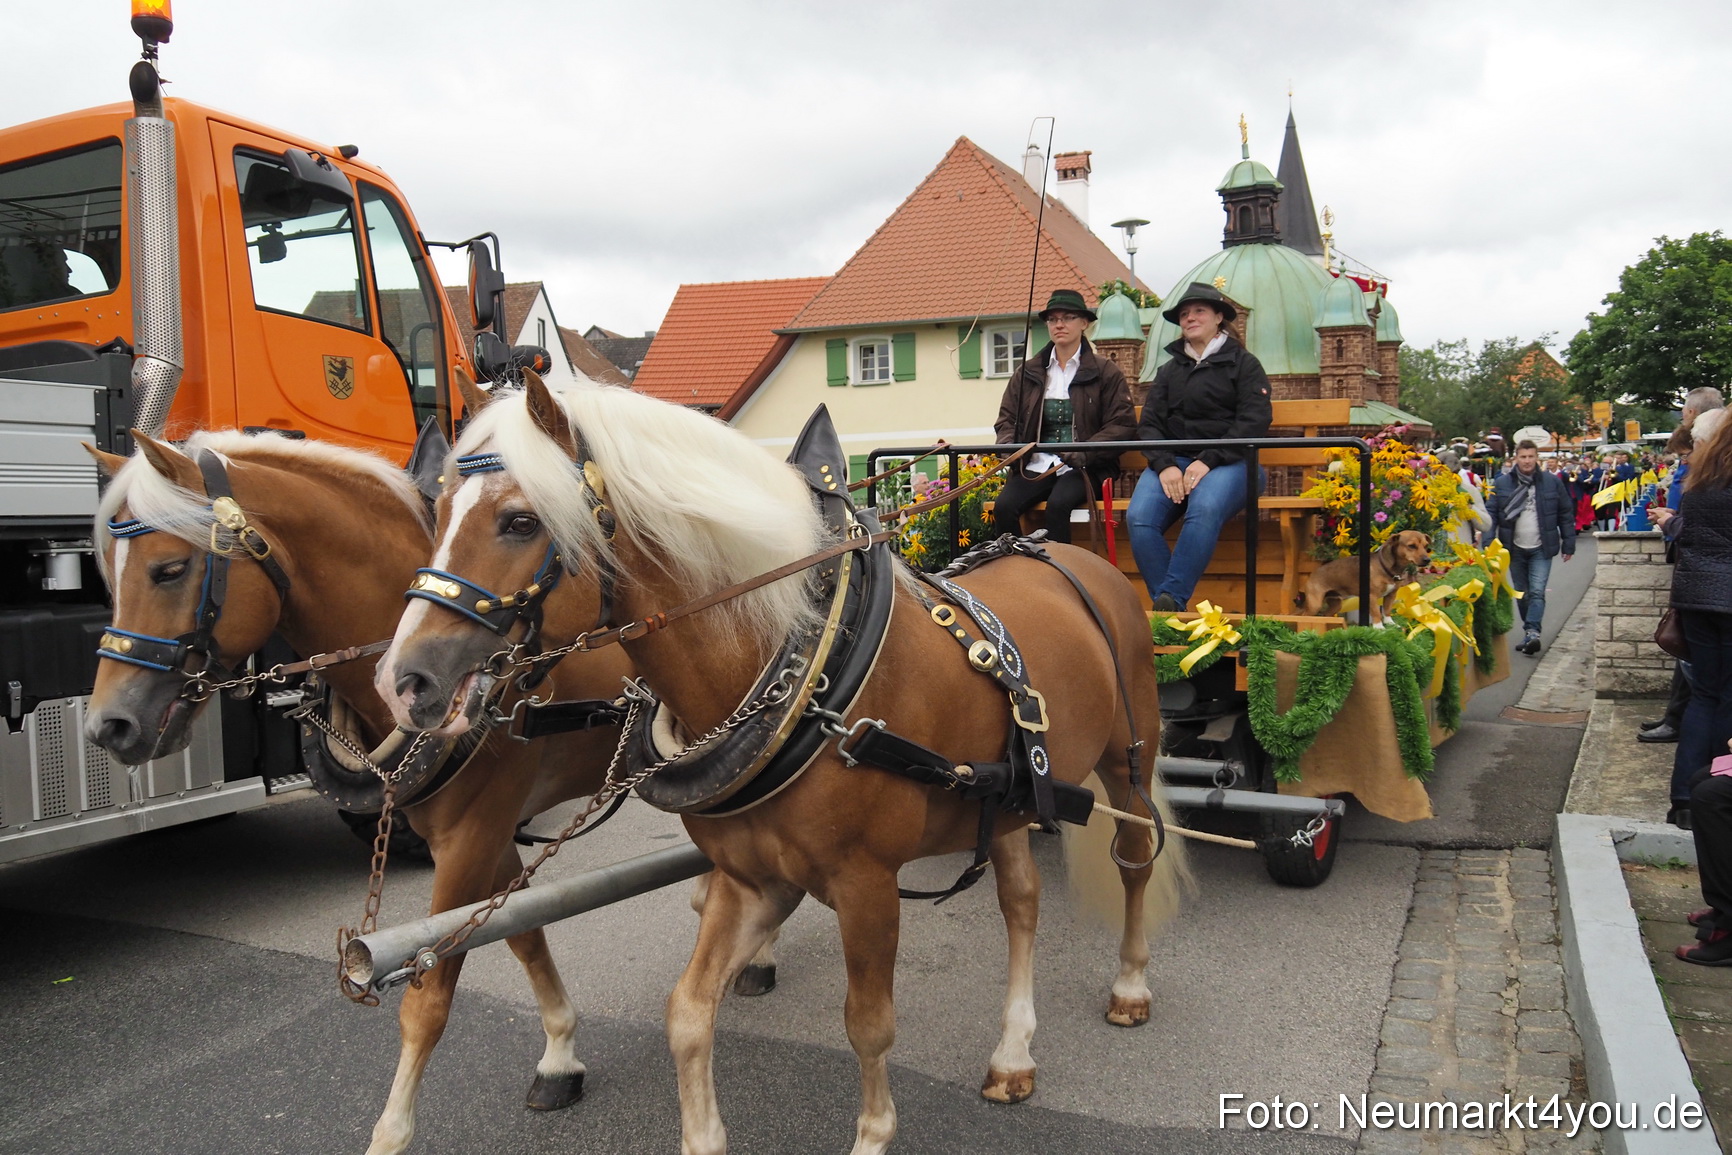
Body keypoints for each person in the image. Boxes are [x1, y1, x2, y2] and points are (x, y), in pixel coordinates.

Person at [1126, 282, 1272, 613]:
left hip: (1232, 463)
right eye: (1184, 314)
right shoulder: (1169, 370)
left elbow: (1254, 420)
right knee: (1139, 517)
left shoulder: (1244, 364)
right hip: (1175, 462)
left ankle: (1170, 602)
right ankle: (1170, 608)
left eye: (1199, 311)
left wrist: (1208, 460)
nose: (1190, 318)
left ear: (1219, 317)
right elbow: (1149, 424)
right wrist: (1164, 464)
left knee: (1204, 508)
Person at [992, 289, 1134, 544]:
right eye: (1053, 319)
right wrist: (1010, 448)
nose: (1059, 324)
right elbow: (1007, 420)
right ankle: (1018, 564)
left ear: (1084, 323)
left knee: (1058, 505)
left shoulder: (1106, 372)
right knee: (1003, 507)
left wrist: (1085, 452)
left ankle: (1060, 568)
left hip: (1087, 467)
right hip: (1035, 465)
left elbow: (1121, 425)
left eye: (1068, 317)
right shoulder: (1028, 372)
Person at [1661, 406, 1732, 829]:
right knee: (1727, 699)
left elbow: (1687, 535)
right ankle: (1717, 793)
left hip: (1697, 599)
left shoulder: (1701, 482)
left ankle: (1685, 799)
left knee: (1703, 696)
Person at [1483, 439, 1576, 655]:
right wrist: (1488, 544)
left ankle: (1533, 632)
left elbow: (1565, 513)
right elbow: (1491, 514)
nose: (1527, 461)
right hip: (1513, 547)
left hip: (1541, 547)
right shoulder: (1502, 483)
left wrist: (1568, 544)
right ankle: (1529, 633)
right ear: (1516, 458)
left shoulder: (1552, 483)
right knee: (1522, 593)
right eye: (1523, 457)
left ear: (1537, 458)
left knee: (1536, 591)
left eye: (1531, 457)